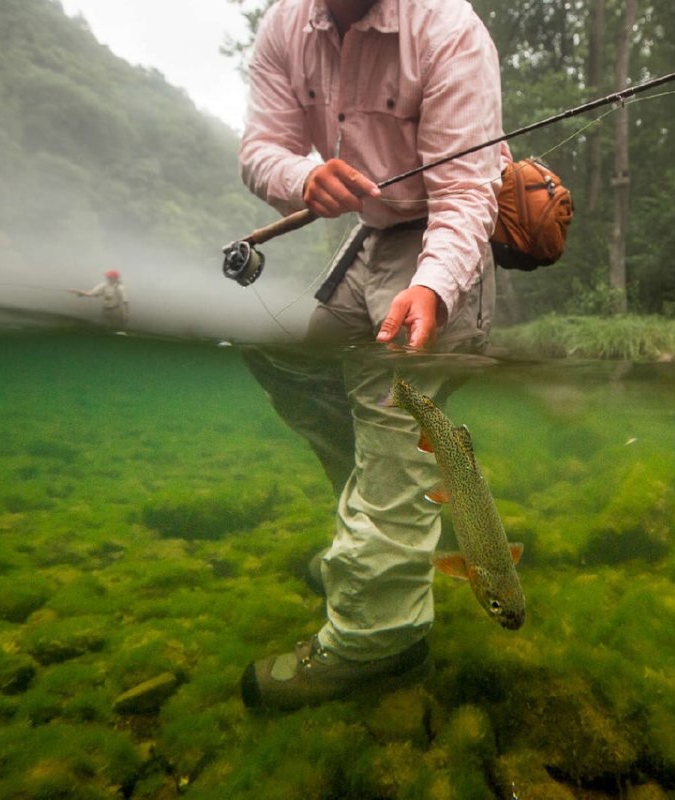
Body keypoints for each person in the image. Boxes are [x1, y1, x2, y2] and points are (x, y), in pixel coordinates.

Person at [236, 0, 508, 710]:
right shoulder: (284, 26)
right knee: (297, 374)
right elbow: (259, 146)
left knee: (392, 428)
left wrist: (433, 289)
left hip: (442, 243)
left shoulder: (447, 30)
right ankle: (388, 539)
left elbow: (467, 193)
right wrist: (302, 177)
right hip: (369, 240)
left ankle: (379, 641)